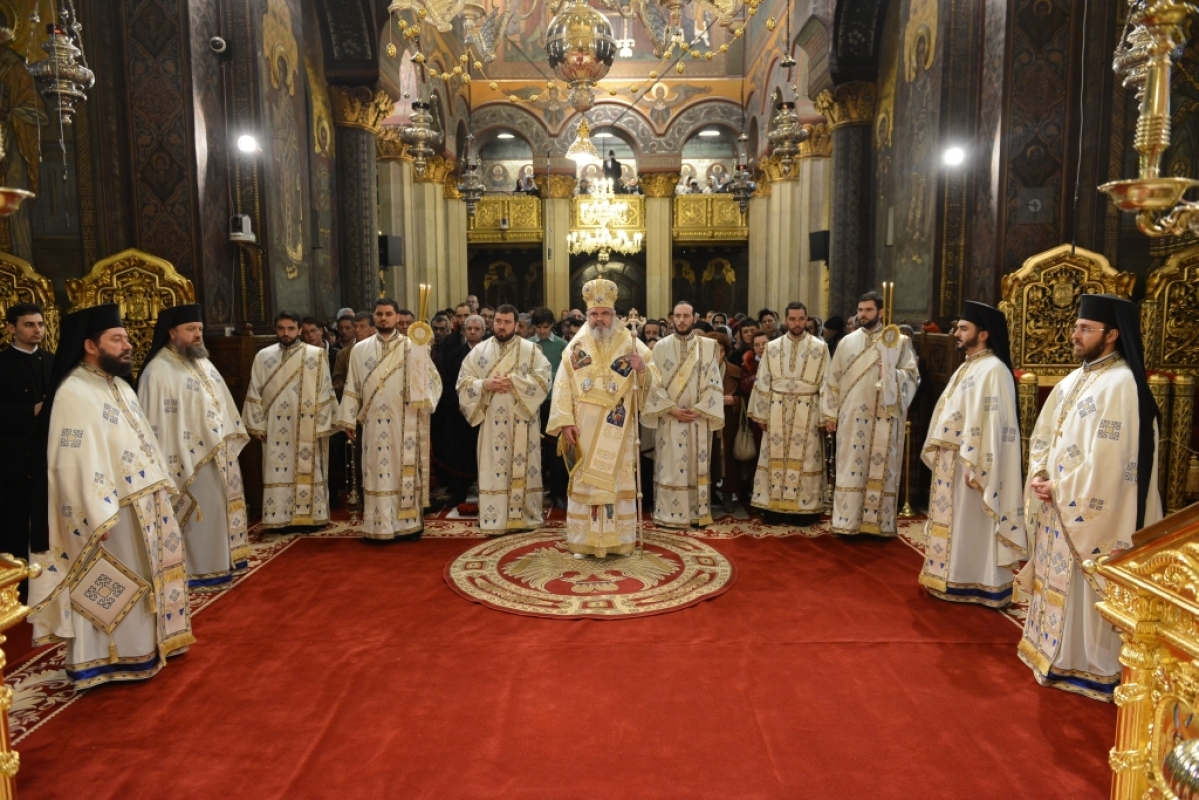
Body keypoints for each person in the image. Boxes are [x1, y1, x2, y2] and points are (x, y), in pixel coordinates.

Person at [28, 304, 192, 688]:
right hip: (107, 513)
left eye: (126, 338)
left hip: (142, 504)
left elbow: (143, 442)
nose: (127, 345)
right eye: (117, 339)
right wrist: (92, 515)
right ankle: (100, 659)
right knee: (110, 584)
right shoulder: (73, 391)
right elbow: (69, 462)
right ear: (89, 345)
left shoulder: (118, 385)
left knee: (143, 583)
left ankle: (145, 647)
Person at [1017, 294, 1162, 701]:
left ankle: (1084, 663)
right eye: (1076, 327)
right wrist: (1043, 473)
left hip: (1085, 507)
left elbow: (1113, 461)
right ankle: (1050, 649)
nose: (1075, 334)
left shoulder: (1121, 385)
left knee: (1084, 587)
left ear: (1112, 335)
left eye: (1085, 328)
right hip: (1058, 503)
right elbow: (1045, 435)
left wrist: (1061, 489)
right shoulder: (1074, 378)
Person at [919, 302, 1026, 607]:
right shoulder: (970, 364)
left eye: (964, 328)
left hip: (973, 464)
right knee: (956, 524)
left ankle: (981, 582)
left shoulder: (993, 370)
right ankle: (951, 577)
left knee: (973, 525)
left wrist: (980, 465)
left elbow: (995, 423)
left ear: (984, 334)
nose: (956, 333)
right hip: (952, 461)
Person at [547, 278, 662, 558]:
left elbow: (655, 379)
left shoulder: (630, 341)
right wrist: (565, 422)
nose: (599, 319)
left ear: (614, 315)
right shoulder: (576, 346)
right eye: (594, 314)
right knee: (586, 482)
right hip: (583, 425)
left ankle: (618, 541)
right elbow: (562, 385)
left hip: (618, 426)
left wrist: (642, 368)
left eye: (605, 314)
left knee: (616, 482)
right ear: (588, 315)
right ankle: (584, 542)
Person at [139, 304, 250, 591]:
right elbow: (155, 423)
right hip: (187, 460)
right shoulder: (157, 371)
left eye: (199, 329)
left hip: (217, 454)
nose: (197, 335)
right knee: (202, 514)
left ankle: (224, 561)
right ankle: (200, 570)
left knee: (219, 512)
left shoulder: (201, 362)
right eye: (190, 330)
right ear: (172, 332)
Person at [337, 299, 441, 542]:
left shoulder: (412, 347)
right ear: (374, 316)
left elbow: (432, 382)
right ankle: (378, 525)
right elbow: (352, 386)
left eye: (388, 314)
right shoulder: (359, 350)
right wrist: (348, 420)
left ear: (397, 317)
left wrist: (421, 396)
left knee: (402, 470)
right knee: (374, 470)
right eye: (379, 314)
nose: (384, 318)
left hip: (404, 421)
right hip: (373, 423)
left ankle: (408, 524)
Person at [822, 291, 919, 537]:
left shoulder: (899, 342)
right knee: (850, 466)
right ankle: (847, 523)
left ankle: (878, 526)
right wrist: (830, 414)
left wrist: (891, 375)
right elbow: (833, 380)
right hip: (852, 416)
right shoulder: (846, 342)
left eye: (868, 310)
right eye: (860, 310)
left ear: (881, 312)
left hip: (885, 416)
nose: (862, 315)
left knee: (881, 468)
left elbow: (912, 377)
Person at [457, 304, 552, 533]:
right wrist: (486, 384)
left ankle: (526, 516)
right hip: (491, 424)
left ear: (516, 324)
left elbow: (544, 381)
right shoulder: (479, 351)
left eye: (507, 322)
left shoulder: (531, 351)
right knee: (494, 468)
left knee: (525, 467)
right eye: (498, 321)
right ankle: (494, 518)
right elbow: (463, 383)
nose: (501, 326)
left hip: (523, 422)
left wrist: (515, 382)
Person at [243, 311, 336, 530]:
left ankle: (311, 517)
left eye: (291, 328)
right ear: (276, 330)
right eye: (281, 329)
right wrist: (257, 424)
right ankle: (279, 518)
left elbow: (325, 390)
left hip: (307, 425)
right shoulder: (263, 356)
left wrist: (322, 424)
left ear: (299, 329)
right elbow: (254, 390)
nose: (286, 333)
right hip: (275, 426)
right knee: (277, 467)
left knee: (308, 468)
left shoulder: (316, 355)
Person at [645, 301, 724, 528]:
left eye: (686, 316)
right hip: (670, 418)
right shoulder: (660, 347)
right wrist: (672, 409)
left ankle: (696, 512)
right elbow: (653, 384)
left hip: (697, 419)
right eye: (677, 316)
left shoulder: (709, 346)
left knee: (694, 467)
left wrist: (698, 409)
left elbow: (714, 381)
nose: (681, 320)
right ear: (672, 319)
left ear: (693, 317)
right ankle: (668, 513)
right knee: (670, 467)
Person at [748, 302, 830, 524]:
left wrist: (826, 416)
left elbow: (826, 383)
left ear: (806, 319)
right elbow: (763, 380)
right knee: (775, 457)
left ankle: (806, 509)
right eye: (792, 319)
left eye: (801, 319)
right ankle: (774, 508)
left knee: (806, 459)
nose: (796, 323)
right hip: (776, 409)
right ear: (785, 320)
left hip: (809, 410)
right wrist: (761, 414)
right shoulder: (772, 347)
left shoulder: (821, 348)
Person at [0, 302, 54, 569]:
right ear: (12, 328)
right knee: (16, 528)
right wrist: (29, 410)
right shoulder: (3, 364)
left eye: (40, 324)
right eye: (29, 324)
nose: (37, 330)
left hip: (48, 457)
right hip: (15, 462)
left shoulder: (52, 361)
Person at [704, 331, 744, 514]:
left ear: (725, 352)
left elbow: (748, 398)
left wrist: (735, 401)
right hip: (706, 421)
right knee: (708, 457)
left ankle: (728, 494)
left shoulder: (735, 371)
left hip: (729, 422)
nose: (715, 355)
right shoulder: (699, 371)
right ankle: (709, 494)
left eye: (719, 351)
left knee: (728, 458)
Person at [333, 311, 374, 398]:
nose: (357, 330)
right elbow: (336, 385)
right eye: (355, 326)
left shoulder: (382, 351)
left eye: (362, 326)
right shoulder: (343, 354)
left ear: (372, 329)